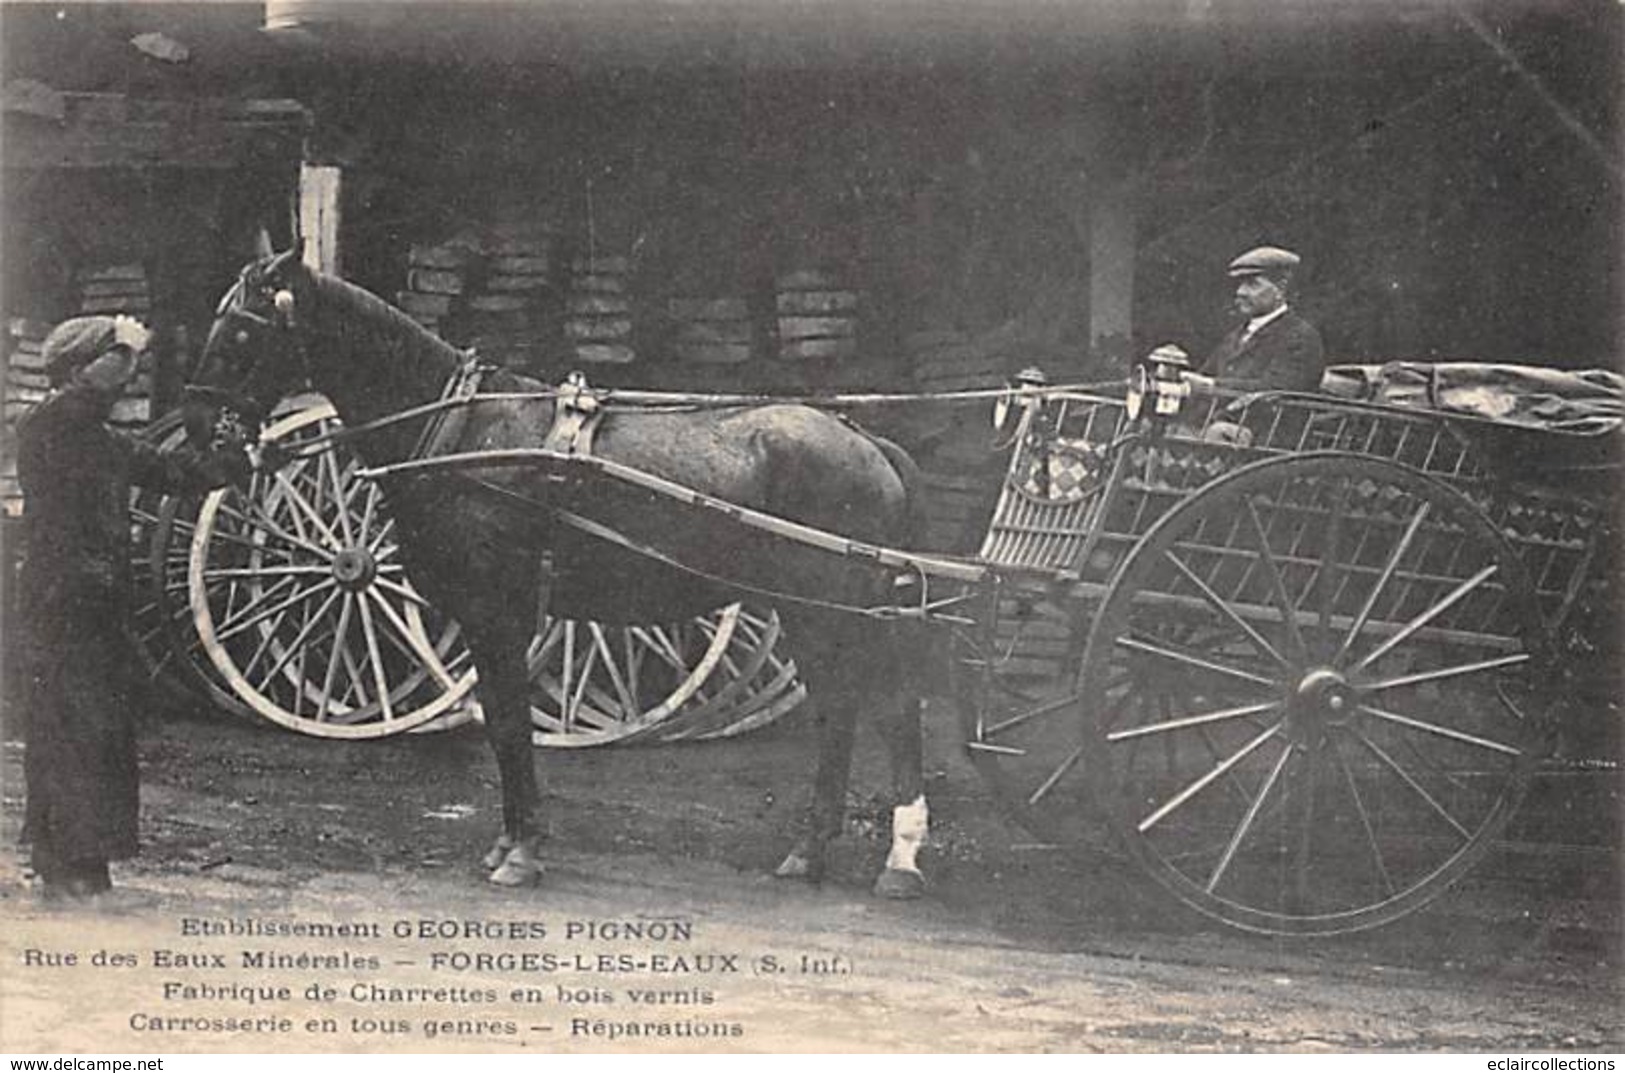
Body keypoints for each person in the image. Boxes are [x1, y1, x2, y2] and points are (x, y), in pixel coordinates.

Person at [16, 314, 249, 902]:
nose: (127, 374)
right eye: (115, 362)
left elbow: (170, 471)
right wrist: (127, 343)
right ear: (78, 366)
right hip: (66, 600)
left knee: (85, 730)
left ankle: (77, 864)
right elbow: (153, 464)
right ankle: (70, 864)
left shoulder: (84, 429)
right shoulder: (57, 424)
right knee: (79, 730)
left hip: (82, 600)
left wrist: (237, 459)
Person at [1198, 245, 1325, 392]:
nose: (1240, 292)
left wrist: (1211, 385)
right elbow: (1205, 376)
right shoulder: (1234, 336)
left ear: (1280, 288)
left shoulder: (1300, 337)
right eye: (1240, 284)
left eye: (1252, 284)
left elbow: (1279, 391)